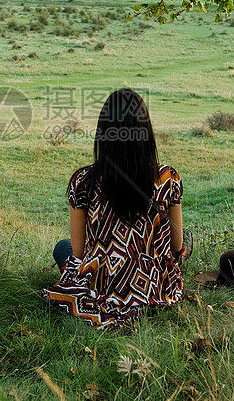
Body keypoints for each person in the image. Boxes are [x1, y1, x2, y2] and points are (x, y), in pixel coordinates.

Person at [42, 88, 186, 328]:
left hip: (103, 288)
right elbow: (177, 245)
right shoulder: (168, 177)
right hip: (155, 288)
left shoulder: (83, 181)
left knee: (63, 247)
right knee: (186, 240)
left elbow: (78, 253)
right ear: (145, 131)